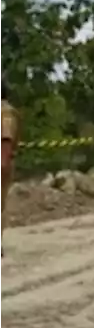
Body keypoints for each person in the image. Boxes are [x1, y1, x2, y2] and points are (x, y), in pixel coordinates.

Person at [0, 77, 17, 254]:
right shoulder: (12, 112)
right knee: (1, 204)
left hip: (2, 160)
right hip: (7, 161)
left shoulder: (4, 113)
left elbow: (6, 138)